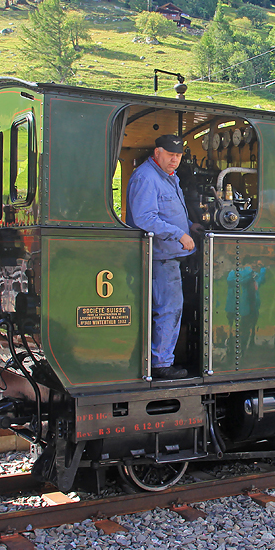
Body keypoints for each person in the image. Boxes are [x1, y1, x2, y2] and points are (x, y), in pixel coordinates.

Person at [126, 134, 199, 380]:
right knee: (168, 308)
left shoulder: (169, 178)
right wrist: (179, 234)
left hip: (170, 256)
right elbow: (144, 218)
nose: (175, 160)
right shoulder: (147, 177)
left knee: (171, 307)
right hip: (159, 257)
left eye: (178, 156)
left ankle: (162, 359)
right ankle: (160, 364)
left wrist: (191, 227)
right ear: (157, 153)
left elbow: (169, 212)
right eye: (170, 155)